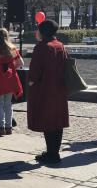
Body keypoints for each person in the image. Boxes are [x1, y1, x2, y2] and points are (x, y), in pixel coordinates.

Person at [28, 20, 69, 163]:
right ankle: (54, 152)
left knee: (47, 120)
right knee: (57, 121)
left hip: (45, 89)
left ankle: (51, 154)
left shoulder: (42, 47)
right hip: (59, 89)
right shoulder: (60, 45)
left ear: (42, 32)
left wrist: (30, 83)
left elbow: (34, 72)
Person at [0, 28, 24, 136]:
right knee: (8, 104)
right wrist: (12, 67)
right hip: (10, 78)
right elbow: (20, 62)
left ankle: (0, 127)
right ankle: (9, 127)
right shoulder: (12, 48)